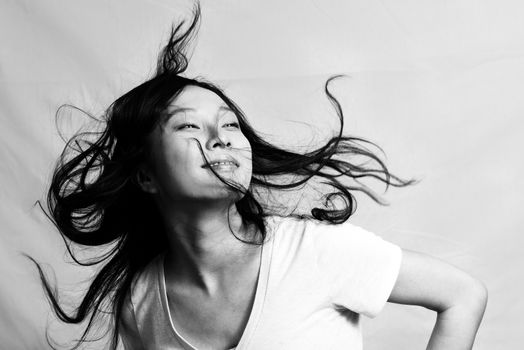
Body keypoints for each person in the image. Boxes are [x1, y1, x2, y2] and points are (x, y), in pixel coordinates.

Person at [29, 5, 487, 350]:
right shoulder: (141, 301)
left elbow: (463, 295)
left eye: (230, 124)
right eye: (189, 126)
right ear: (146, 175)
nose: (222, 139)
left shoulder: (313, 251)